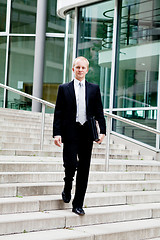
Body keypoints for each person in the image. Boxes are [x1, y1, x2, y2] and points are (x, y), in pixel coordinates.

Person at [53, 56, 106, 216]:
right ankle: (67, 183)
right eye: (77, 67)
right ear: (73, 69)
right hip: (70, 131)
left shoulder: (94, 89)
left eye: (83, 68)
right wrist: (57, 133)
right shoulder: (64, 88)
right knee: (70, 164)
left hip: (86, 133)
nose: (80, 70)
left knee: (84, 169)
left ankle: (78, 204)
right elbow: (58, 113)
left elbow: (99, 111)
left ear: (87, 70)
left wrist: (102, 131)